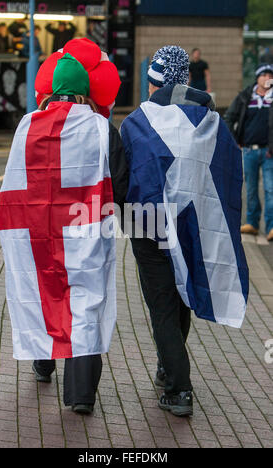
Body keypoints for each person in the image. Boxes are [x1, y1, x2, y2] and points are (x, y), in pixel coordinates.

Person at [0, 39, 128, 415]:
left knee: (42, 293)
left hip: (34, 231)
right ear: (85, 91)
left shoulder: (26, 125)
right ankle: (81, 395)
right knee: (86, 303)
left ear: (51, 89)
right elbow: (120, 181)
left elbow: (13, 180)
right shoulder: (101, 128)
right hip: (84, 231)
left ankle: (43, 362)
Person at [120, 46, 248, 417]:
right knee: (182, 294)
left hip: (147, 224)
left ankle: (179, 389)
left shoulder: (137, 122)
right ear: (187, 79)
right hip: (194, 221)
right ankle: (168, 368)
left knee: (161, 303)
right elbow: (227, 171)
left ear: (154, 82)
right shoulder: (211, 121)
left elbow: (125, 177)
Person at [224, 64, 273, 241]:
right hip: (249, 150)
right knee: (251, 188)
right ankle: (252, 223)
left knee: (270, 189)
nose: (268, 78)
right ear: (257, 78)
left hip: (270, 152)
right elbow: (229, 117)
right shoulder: (246, 96)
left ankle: (271, 226)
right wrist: (233, 140)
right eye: (264, 74)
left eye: (271, 75)